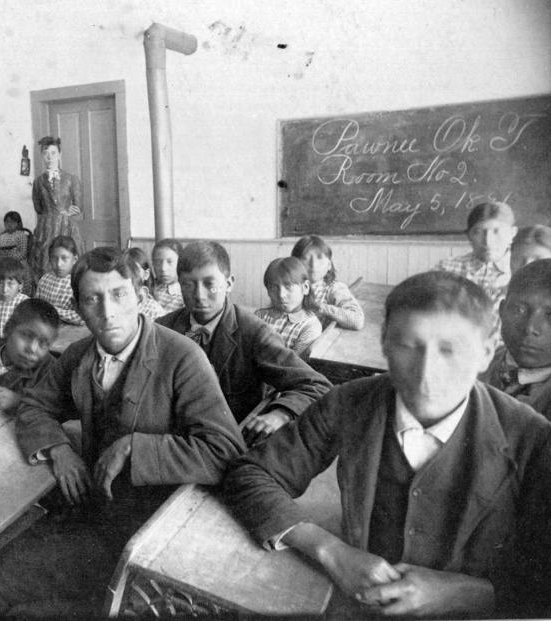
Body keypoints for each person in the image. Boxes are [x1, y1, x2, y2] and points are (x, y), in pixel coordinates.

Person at [223, 271, 551, 618]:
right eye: (408, 346)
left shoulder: (534, 438)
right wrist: (330, 550)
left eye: (450, 350)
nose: (427, 373)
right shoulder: (349, 401)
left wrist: (470, 593)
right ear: (384, 345)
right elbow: (251, 474)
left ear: (486, 352)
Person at [0, 247, 244, 614]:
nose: (107, 313)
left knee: (19, 605)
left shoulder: (181, 357)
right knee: (1, 578)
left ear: (140, 295)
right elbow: (34, 405)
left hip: (154, 542)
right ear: (78, 305)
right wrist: (59, 450)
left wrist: (135, 448)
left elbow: (225, 450)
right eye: (93, 299)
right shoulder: (79, 355)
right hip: (96, 518)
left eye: (119, 295)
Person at [157, 241, 330, 444]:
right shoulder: (162, 328)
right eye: (188, 284)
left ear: (229, 283)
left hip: (226, 441)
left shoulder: (254, 333)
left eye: (209, 284)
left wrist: (281, 413)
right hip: (170, 435)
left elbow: (317, 385)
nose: (199, 295)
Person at [483, 259, 551, 419]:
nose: (530, 328)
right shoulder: (475, 364)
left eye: (550, 316)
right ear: (501, 310)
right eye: (520, 310)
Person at [436, 200, 517, 307]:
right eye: (478, 232)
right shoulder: (446, 269)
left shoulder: (522, 269)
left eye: (497, 231)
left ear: (512, 233)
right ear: (468, 236)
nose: (488, 240)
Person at [30, 136, 84, 279]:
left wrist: (65, 213)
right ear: (42, 156)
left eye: (53, 153)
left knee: (69, 266)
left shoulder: (71, 179)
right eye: (46, 153)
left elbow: (78, 209)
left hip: (67, 228)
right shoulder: (38, 182)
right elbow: (38, 208)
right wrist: (51, 216)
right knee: (45, 266)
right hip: (45, 230)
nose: (50, 157)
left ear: (59, 155)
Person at [291, 235, 364, 330]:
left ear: (329, 265)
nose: (313, 265)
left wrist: (321, 308)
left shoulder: (334, 288)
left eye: (319, 258)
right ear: (295, 263)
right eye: (305, 258)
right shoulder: (288, 287)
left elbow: (357, 320)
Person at [255, 257, 323, 357]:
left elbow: (294, 365)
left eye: (288, 286)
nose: (281, 295)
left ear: (305, 287)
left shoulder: (310, 326)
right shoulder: (259, 316)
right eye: (274, 287)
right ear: (268, 291)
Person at [35, 236, 84, 325]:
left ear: (75, 259)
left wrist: (52, 310)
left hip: (71, 332)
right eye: (54, 258)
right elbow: (37, 307)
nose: (59, 264)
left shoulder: (79, 282)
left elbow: (82, 317)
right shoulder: (45, 279)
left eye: (64, 258)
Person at [125, 247, 164, 320]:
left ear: (146, 274)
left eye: (135, 271)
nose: (128, 276)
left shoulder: (153, 310)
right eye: (124, 271)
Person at [151, 238, 184, 314]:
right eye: (158, 262)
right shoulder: (148, 288)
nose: (163, 268)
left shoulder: (184, 294)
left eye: (170, 262)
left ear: (180, 262)